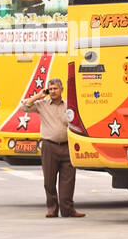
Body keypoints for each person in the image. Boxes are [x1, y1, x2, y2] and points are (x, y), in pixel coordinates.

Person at [19, 77, 84, 218]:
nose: (53, 91)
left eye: (56, 88)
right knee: (49, 180)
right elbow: (23, 106)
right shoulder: (42, 104)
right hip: (49, 146)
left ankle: (68, 210)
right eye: (51, 89)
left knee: (68, 180)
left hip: (67, 146)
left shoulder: (69, 105)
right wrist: (39, 95)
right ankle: (52, 209)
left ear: (61, 90)